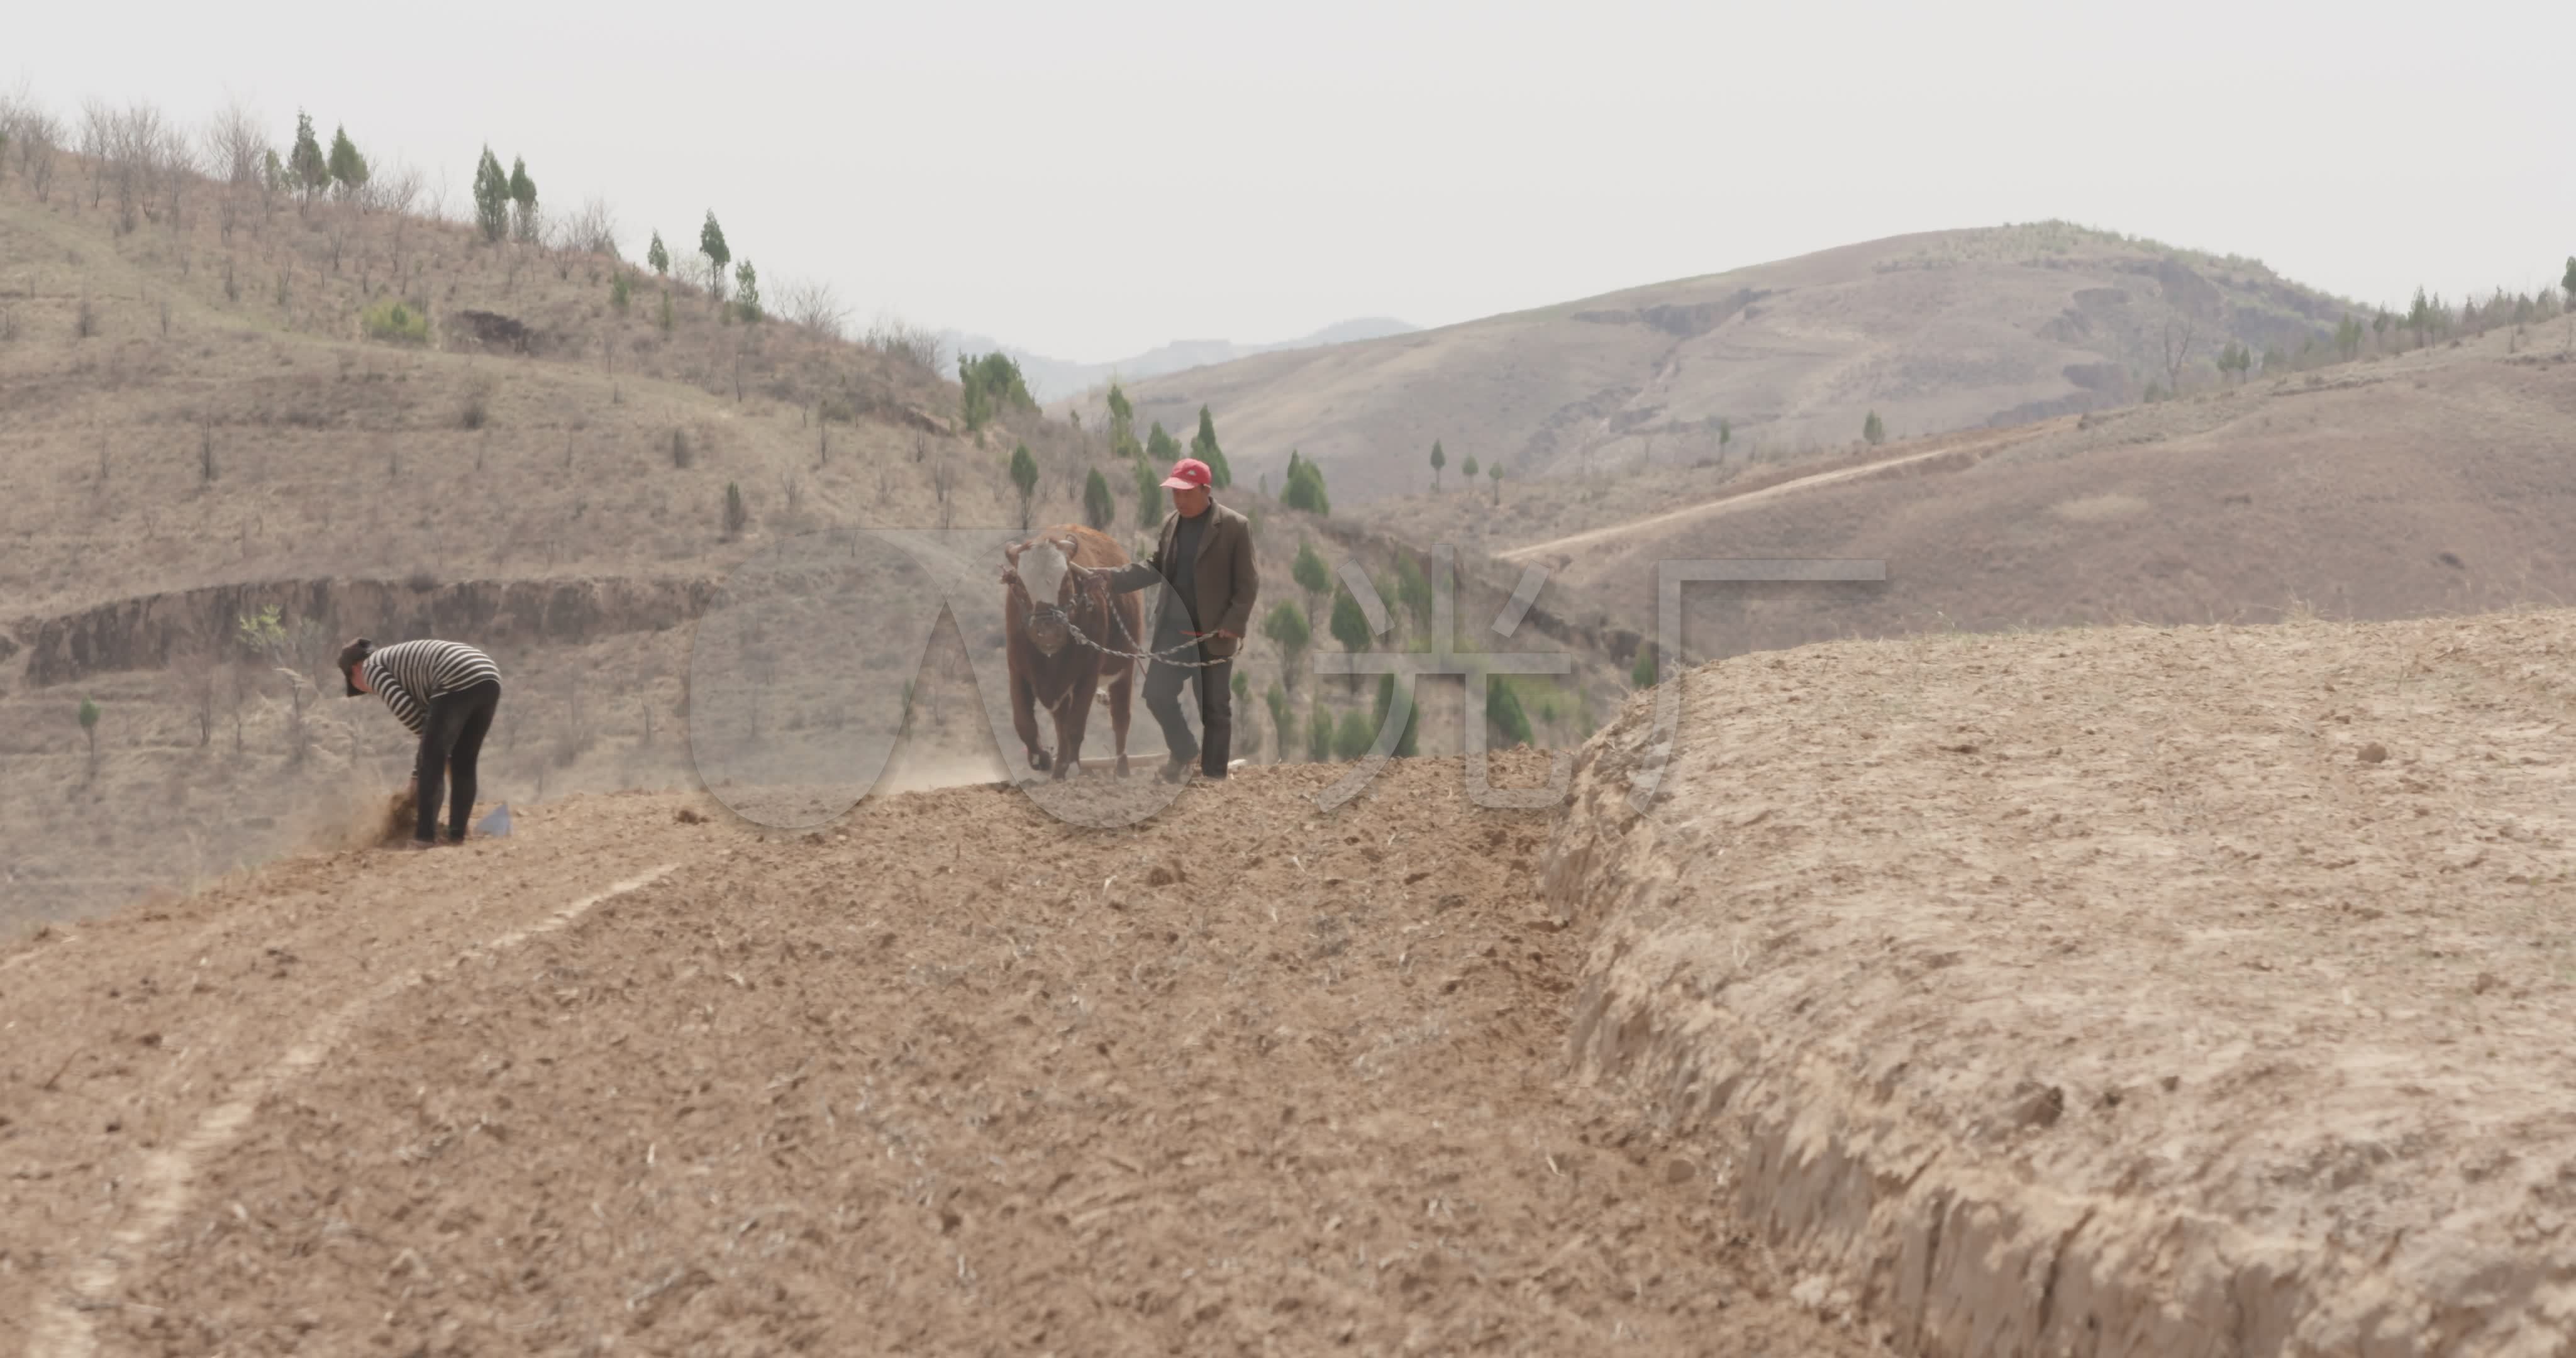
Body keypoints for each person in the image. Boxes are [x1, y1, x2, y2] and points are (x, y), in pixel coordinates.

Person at [1084, 456, 1258, 782]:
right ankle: (1185, 753)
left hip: (1213, 636)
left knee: (1214, 708)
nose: (1179, 499)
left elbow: (1248, 584)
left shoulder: (1234, 527)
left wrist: (1234, 623)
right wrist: (1111, 577)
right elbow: (1155, 567)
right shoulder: (1172, 523)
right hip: (1172, 632)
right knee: (1157, 695)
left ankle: (1214, 776)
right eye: (1175, 492)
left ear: (1206, 490)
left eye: (1186, 492)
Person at [338, 637, 502, 848]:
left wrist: (423, 767)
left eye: (354, 684)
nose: (364, 691)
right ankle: (457, 837)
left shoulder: (371, 667)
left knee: (432, 760)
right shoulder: (400, 663)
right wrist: (430, 757)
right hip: (488, 676)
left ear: (356, 668)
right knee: (464, 761)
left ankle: (424, 838)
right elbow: (432, 728)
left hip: (455, 674)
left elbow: (408, 713)